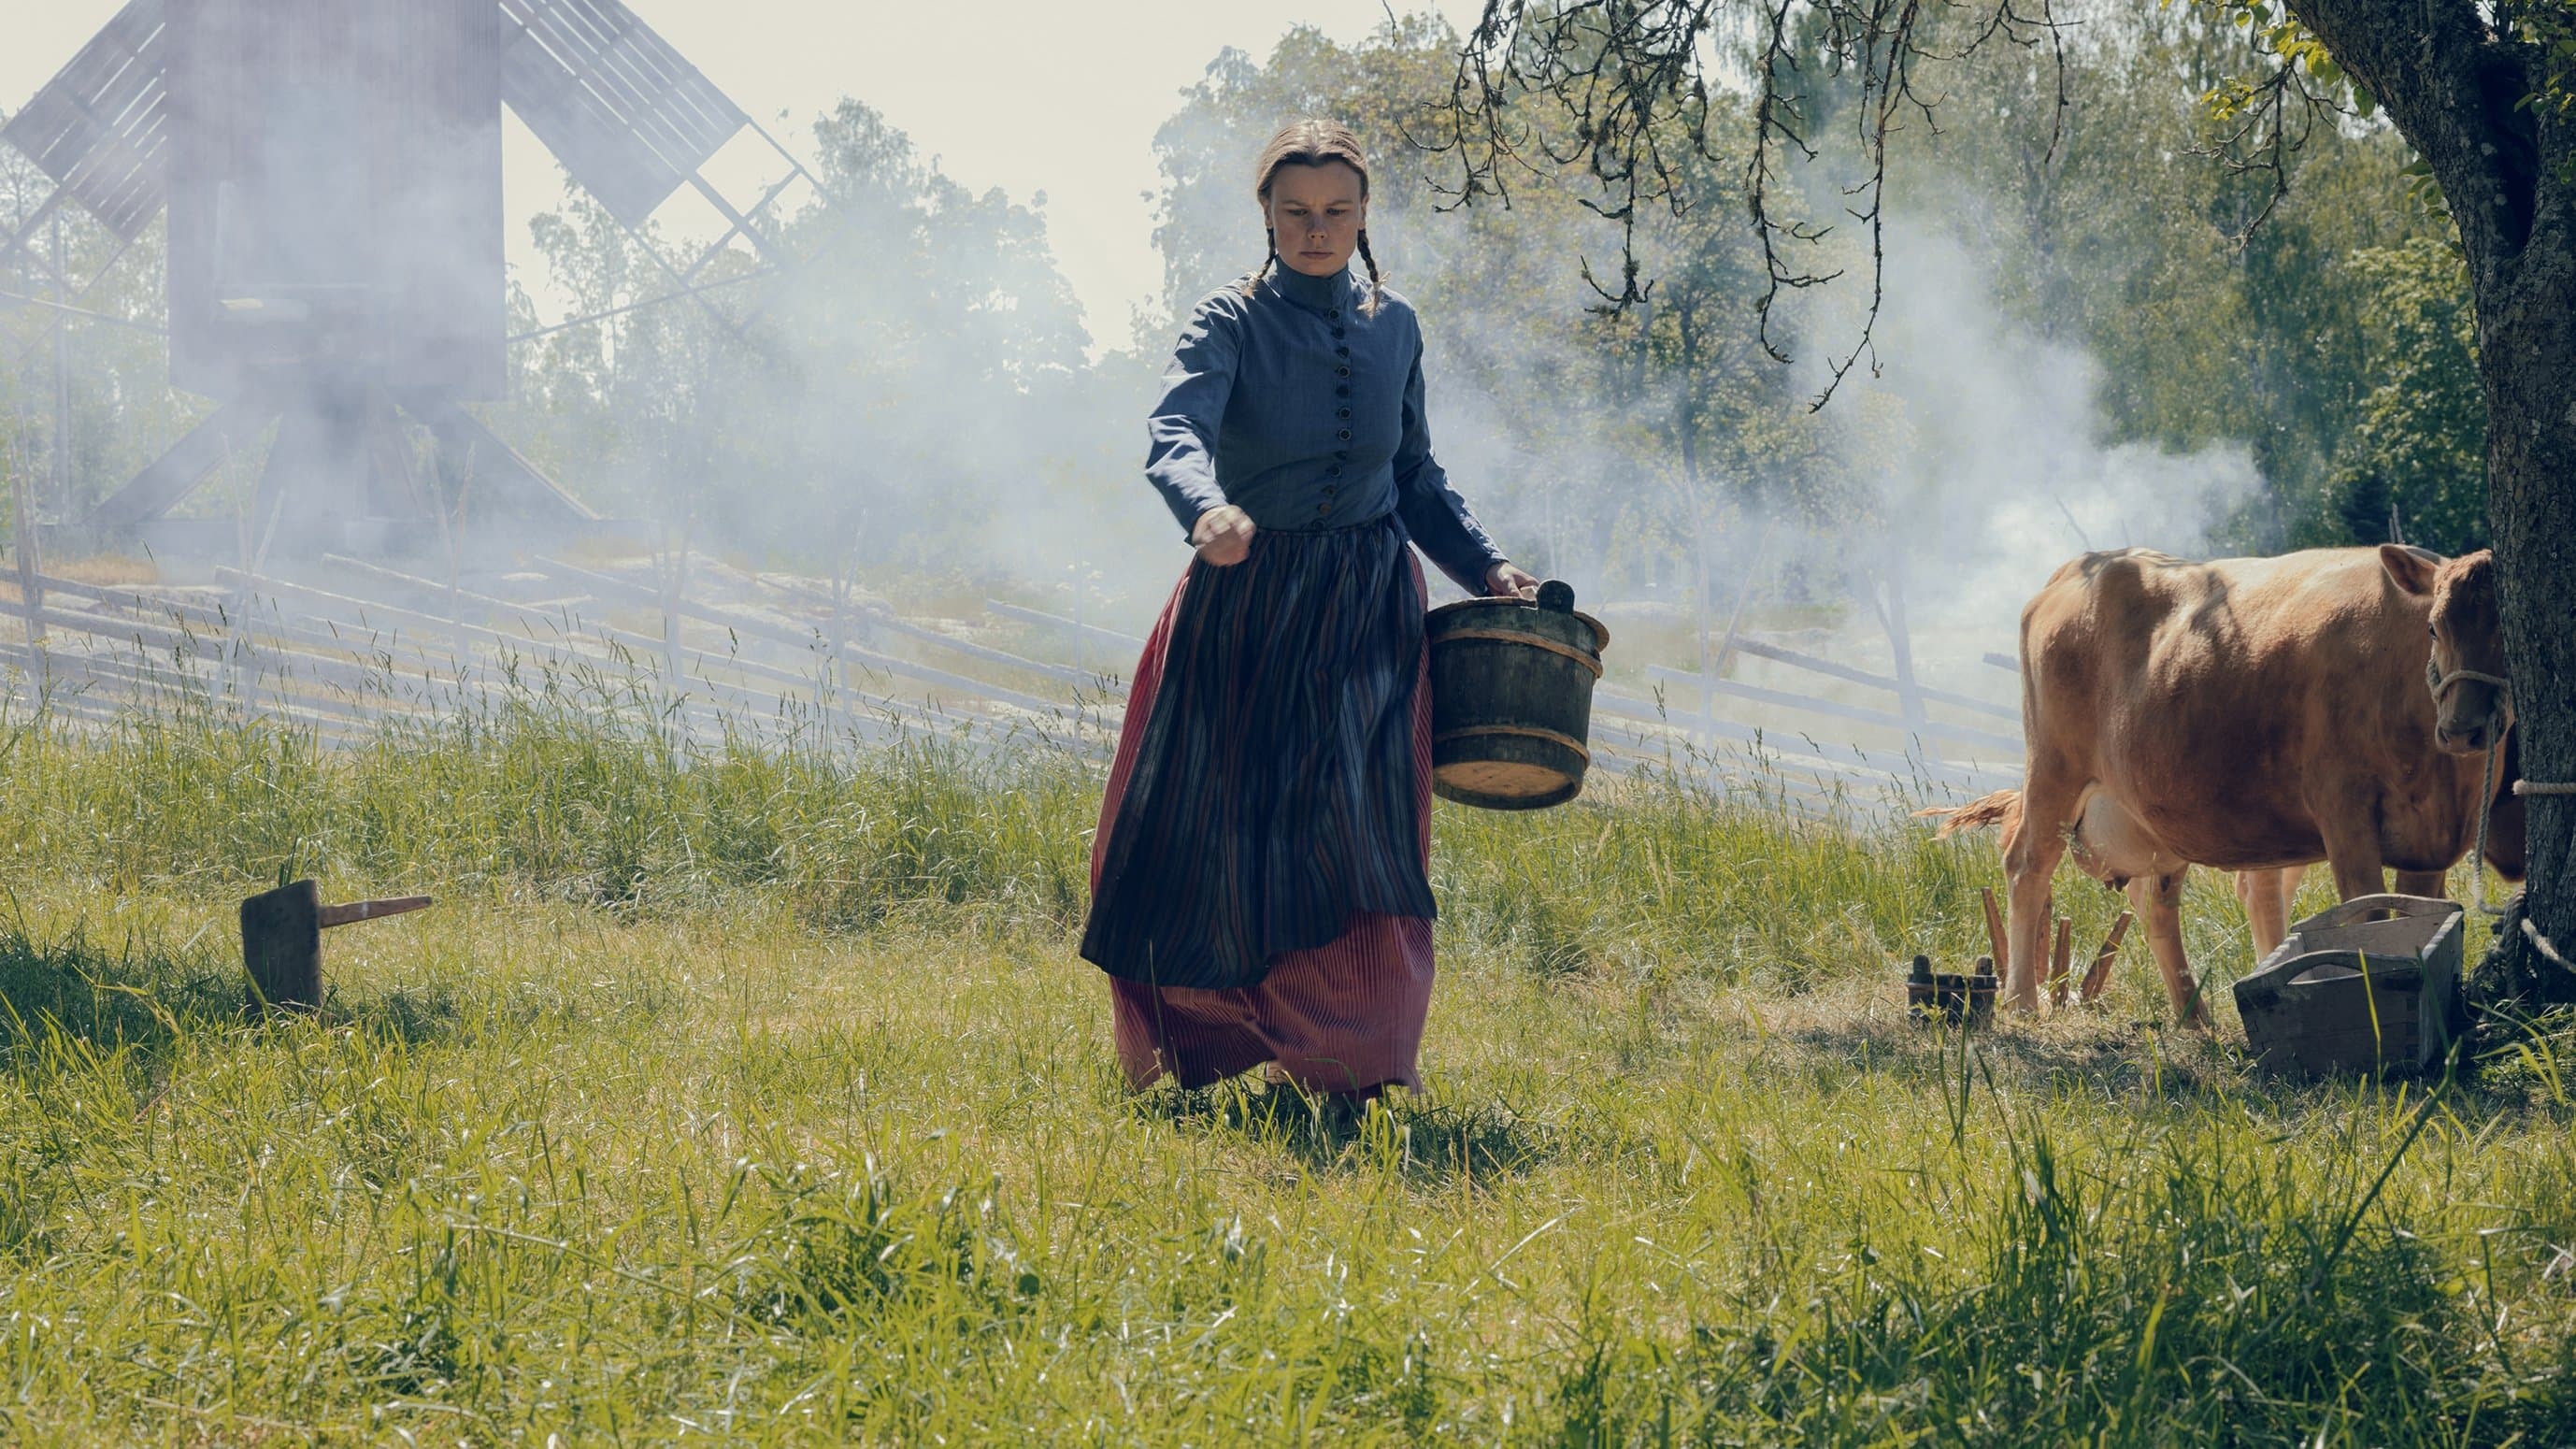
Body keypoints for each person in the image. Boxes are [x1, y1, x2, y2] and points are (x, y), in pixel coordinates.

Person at [1079, 118, 1538, 1104]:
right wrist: (1206, 509)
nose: (1316, 229)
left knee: (1362, 836)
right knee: (1213, 828)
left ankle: (1360, 1065)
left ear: (1363, 212)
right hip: (1244, 604)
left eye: (1335, 210)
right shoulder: (1226, 320)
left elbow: (1412, 475)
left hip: (1367, 612)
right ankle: (1188, 1041)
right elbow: (1173, 429)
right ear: (1266, 215)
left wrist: (1487, 567)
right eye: (1295, 212)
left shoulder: (1396, 325)